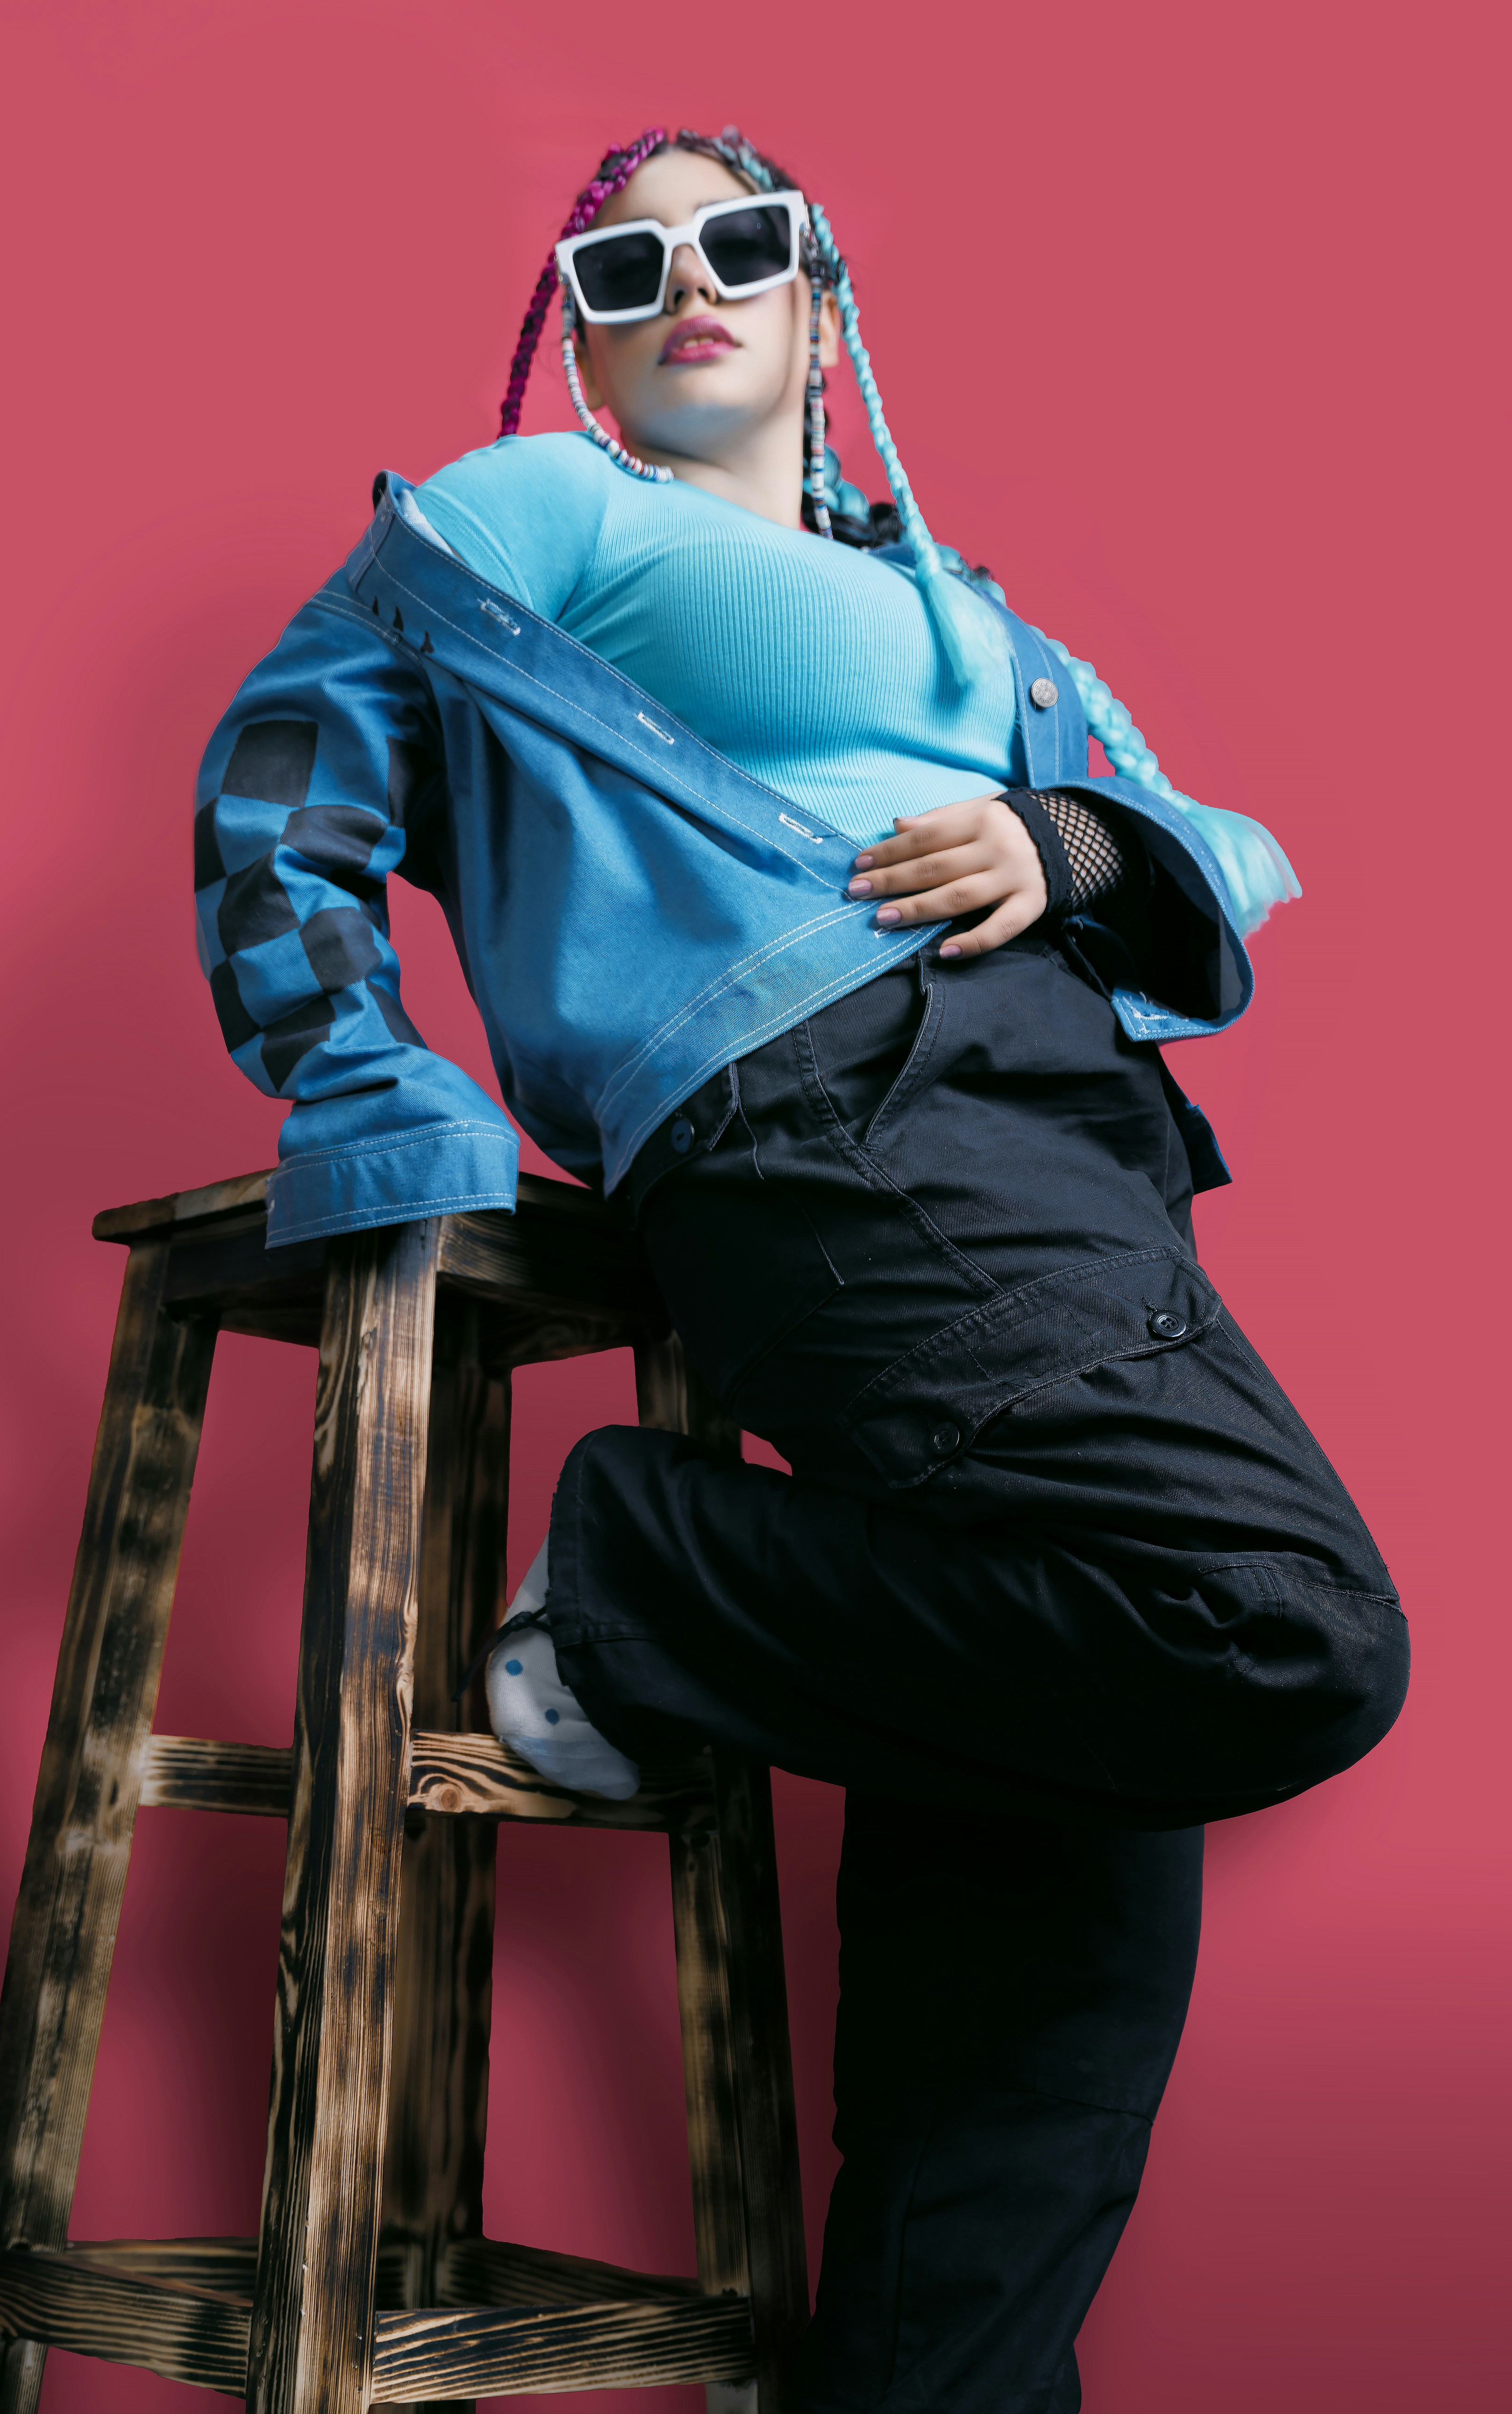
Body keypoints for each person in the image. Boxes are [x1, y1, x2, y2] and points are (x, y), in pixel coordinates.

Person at [196, 124, 1406, 2414]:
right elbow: (284, 766)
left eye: (737, 243)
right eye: (621, 258)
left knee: (1039, 2010)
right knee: (1276, 1634)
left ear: (826, 303)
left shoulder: (975, 616)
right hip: (843, 1116)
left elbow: (1222, 846)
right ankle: (641, 1570)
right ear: (576, 323)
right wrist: (362, 1081)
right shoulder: (549, 515)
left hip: (1061, 1149)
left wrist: (1066, 838)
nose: (685, 283)